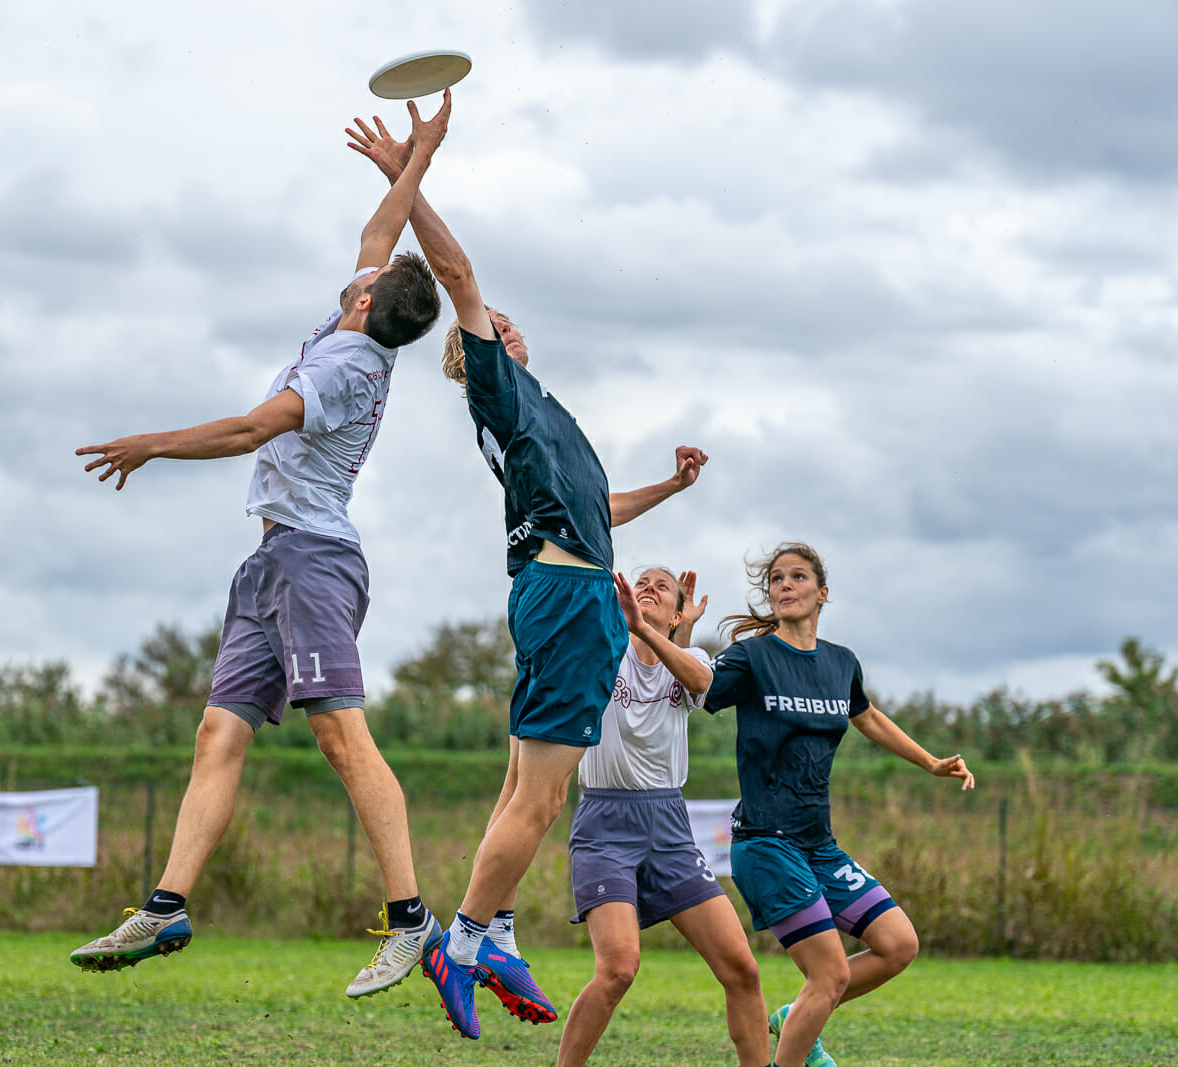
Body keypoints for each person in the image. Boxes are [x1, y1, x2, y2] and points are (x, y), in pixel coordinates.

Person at [67, 94, 452, 1000]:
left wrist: (150, 443)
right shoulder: (357, 322)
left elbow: (248, 429)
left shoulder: (344, 366)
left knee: (341, 738)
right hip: (272, 563)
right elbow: (380, 226)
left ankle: (411, 921)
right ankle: (167, 904)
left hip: (316, 562)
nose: (359, 268)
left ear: (364, 299)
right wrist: (413, 159)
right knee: (217, 732)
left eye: (364, 275)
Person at [346, 111, 708, 1040]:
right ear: (479, 352)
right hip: (569, 599)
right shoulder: (498, 386)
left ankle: (497, 930)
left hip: (560, 586)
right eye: (491, 322)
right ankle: (460, 939)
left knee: (521, 789)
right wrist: (413, 170)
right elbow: (459, 275)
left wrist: (669, 484)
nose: (501, 315)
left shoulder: (541, 418)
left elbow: (602, 513)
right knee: (549, 796)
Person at [704, 543, 976, 1067]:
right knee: (829, 974)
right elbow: (702, 686)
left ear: (821, 593)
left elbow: (867, 717)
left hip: (818, 846)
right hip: (765, 843)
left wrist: (930, 762)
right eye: (776, 579)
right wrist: (657, 635)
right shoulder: (753, 657)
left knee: (898, 944)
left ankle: (796, 1013)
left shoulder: (840, 662)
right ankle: (804, 1024)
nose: (784, 585)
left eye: (798, 577)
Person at [557, 567, 770, 1067]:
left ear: (678, 614)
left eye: (662, 586)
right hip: (604, 823)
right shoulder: (602, 651)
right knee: (619, 969)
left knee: (742, 969)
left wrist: (657, 629)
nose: (648, 586)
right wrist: (630, 623)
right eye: (642, 581)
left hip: (670, 826)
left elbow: (700, 681)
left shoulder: (691, 659)